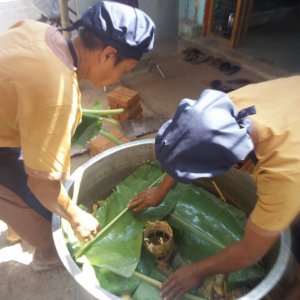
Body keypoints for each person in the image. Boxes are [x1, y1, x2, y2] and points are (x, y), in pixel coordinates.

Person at [0, 1, 155, 271]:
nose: (120, 78)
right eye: (125, 70)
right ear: (108, 54)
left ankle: (14, 227)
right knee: (47, 215)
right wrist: (76, 216)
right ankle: (46, 255)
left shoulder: (40, 32)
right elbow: (41, 185)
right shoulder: (58, 95)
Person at [128, 76, 300, 299]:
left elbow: (250, 252)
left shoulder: (283, 175)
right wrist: (162, 190)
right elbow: (191, 142)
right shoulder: (229, 110)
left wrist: (196, 271)